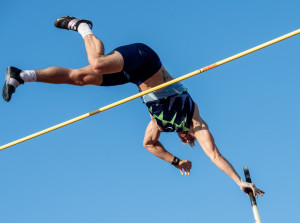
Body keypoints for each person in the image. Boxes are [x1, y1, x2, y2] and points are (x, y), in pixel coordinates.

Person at [2, 16, 264, 198]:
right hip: (146, 60)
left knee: (79, 78)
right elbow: (215, 154)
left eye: (184, 140)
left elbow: (149, 144)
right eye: (188, 139)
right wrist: (239, 181)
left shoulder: (159, 125)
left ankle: (21, 75)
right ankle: (83, 27)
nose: (185, 138)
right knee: (97, 64)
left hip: (134, 77)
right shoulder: (196, 118)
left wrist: (175, 162)